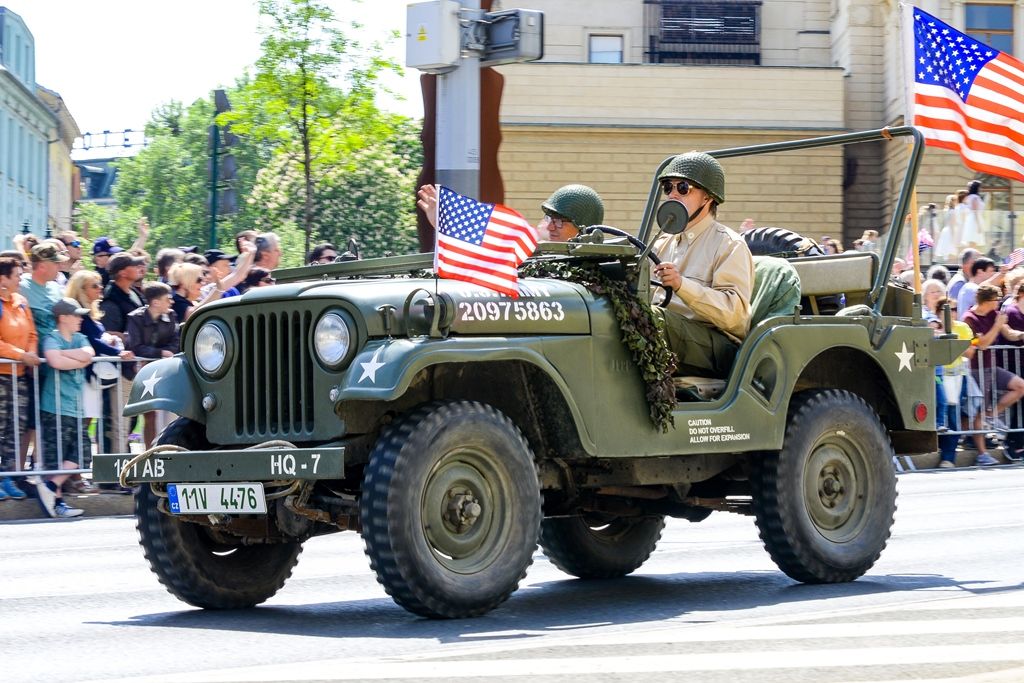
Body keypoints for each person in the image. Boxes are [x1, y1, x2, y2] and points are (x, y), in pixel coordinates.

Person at [649, 151, 754, 378]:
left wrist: (681, 286)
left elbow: (735, 317)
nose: (673, 194)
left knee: (650, 318)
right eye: (669, 188)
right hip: (670, 334)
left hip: (716, 347)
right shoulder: (662, 242)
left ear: (707, 197)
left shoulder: (729, 244)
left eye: (683, 188)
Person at [36, 297, 95, 517]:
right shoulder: (52, 338)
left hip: (75, 406)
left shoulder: (80, 337)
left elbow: (89, 355)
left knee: (82, 452)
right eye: (76, 315)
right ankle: (57, 503)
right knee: (56, 457)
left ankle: (49, 488)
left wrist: (69, 356)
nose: (80, 319)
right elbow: (55, 362)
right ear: (63, 318)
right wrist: (76, 359)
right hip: (55, 406)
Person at [416, 183, 605, 243]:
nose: (549, 226)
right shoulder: (537, 254)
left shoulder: (601, 270)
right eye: (549, 218)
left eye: (560, 221)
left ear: (584, 227)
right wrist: (447, 225)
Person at [962, 284, 1024, 465]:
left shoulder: (994, 315)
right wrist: (997, 326)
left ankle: (993, 414)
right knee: (978, 412)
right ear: (987, 301)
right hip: (977, 369)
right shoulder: (969, 319)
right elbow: (981, 344)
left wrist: (1021, 335)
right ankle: (982, 454)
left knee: (1020, 386)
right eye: (996, 300)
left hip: (993, 366)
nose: (999, 304)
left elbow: (1009, 334)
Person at [98, 252, 147, 455]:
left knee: (130, 418)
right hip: (117, 368)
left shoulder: (134, 294)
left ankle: (123, 461)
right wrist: (132, 337)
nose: (139, 268)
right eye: (133, 266)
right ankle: (111, 470)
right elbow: (107, 332)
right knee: (114, 420)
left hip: (132, 368)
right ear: (122, 272)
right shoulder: (111, 299)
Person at [0, 256, 38, 500]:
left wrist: (31, 352)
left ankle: (7, 478)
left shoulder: (21, 302)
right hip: (1, 376)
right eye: (16, 275)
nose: (20, 279)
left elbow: (32, 333)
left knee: (14, 431)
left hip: (20, 377)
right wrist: (20, 355)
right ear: (2, 278)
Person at [127, 282, 180, 447]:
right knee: (149, 415)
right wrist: (160, 353)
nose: (171, 302)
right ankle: (149, 452)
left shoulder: (171, 316)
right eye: (167, 299)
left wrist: (165, 354)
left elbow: (175, 342)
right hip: (139, 371)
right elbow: (135, 346)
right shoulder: (135, 318)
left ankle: (167, 449)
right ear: (155, 302)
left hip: (164, 371)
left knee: (170, 414)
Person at [960, 181, 984, 248]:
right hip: (974, 220)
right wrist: (979, 225)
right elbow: (975, 211)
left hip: (971, 219)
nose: (981, 189)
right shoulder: (975, 197)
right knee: (974, 240)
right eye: (980, 187)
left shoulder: (969, 197)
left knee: (972, 240)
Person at [934, 194, 958, 262]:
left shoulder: (946, 211)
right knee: (952, 250)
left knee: (948, 251)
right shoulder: (953, 212)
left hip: (946, 231)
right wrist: (954, 237)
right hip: (951, 231)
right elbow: (952, 224)